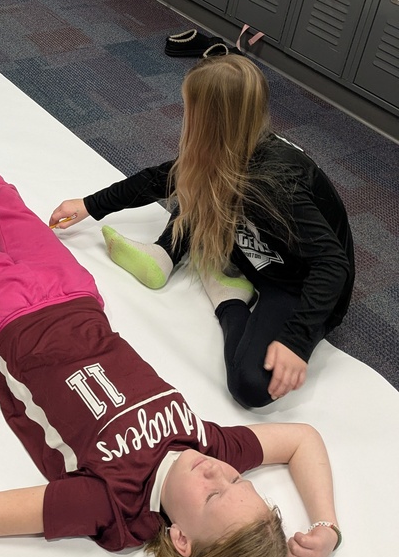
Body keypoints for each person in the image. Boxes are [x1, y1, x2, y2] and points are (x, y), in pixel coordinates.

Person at [0, 91, 341, 557]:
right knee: (9, 209)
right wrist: (326, 527)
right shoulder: (210, 448)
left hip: (2, 321)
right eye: (239, 482)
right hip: (77, 297)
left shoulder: (115, 505)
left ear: (182, 539)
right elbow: (302, 439)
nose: (220, 474)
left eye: (214, 496)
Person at [50, 55, 355, 410]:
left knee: (251, 385)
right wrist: (89, 204)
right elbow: (158, 180)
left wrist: (295, 341)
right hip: (258, 247)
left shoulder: (277, 183)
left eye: (190, 109)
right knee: (196, 180)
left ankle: (228, 296)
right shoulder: (227, 151)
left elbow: (333, 264)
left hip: (293, 284)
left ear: (211, 120)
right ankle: (165, 254)